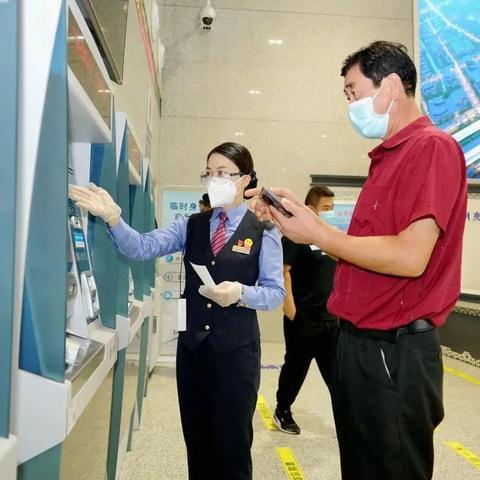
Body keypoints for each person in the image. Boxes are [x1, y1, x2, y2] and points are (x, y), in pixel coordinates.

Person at [247, 41, 467, 480]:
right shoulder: (387, 159)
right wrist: (303, 224)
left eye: (354, 92)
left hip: (393, 350)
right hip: (358, 343)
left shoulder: (431, 149)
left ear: (391, 86)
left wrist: (320, 233)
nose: (350, 105)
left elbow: (410, 256)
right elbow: (361, 252)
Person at [69, 142, 285, 480]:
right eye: (209, 173)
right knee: (197, 441)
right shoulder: (192, 224)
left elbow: (275, 294)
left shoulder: (264, 231)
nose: (214, 180)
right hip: (193, 351)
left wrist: (240, 293)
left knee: (232, 444)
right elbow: (141, 247)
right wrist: (113, 219)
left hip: (236, 355)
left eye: (223, 173)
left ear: (244, 180)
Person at [274, 186, 339, 435]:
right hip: (303, 318)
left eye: (332, 208)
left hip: (330, 318)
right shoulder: (297, 236)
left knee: (337, 374)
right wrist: (289, 306)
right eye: (326, 208)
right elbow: (283, 270)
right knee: (296, 367)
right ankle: (282, 410)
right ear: (311, 208)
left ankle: (347, 418)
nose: (330, 212)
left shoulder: (330, 237)